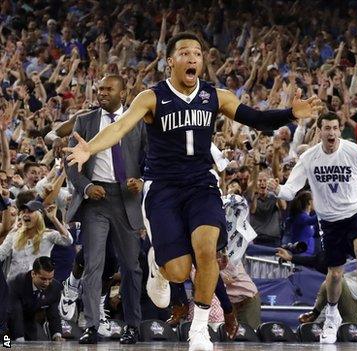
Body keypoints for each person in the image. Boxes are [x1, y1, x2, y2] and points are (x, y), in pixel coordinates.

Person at [65, 32, 323, 351]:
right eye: (185, 53)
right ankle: (162, 267)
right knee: (178, 271)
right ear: (170, 61)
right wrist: (89, 149)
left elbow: (254, 117)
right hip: (163, 188)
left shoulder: (216, 95)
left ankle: (199, 328)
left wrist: (290, 114)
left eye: (197, 54)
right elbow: (119, 128)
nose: (192, 58)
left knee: (206, 248)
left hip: (201, 184)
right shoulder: (151, 97)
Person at [268, 112, 357, 343]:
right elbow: (291, 190)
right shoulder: (310, 158)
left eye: (334, 128)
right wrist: (278, 189)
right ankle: (331, 314)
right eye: (326, 128)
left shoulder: (353, 152)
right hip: (329, 221)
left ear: (340, 130)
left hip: (356, 213)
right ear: (319, 131)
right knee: (335, 273)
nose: (331, 132)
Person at [65, 74, 146, 345]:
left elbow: (150, 159)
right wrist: (87, 187)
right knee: (93, 265)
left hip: (127, 198)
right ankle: (91, 325)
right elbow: (71, 162)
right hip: (96, 200)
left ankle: (132, 326)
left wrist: (141, 181)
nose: (102, 93)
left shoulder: (137, 121)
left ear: (123, 94)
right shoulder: (85, 121)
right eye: (99, 89)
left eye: (108, 89)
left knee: (131, 267)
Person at [0, 201, 72, 281]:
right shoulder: (14, 234)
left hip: (38, 284)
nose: (25, 214)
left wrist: (54, 219)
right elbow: (1, 253)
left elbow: (68, 240)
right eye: (23, 212)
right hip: (14, 284)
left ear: (39, 215)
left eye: (30, 211)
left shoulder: (47, 235)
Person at [7, 256, 63, 341]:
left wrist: (57, 335)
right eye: (43, 279)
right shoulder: (16, 284)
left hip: (29, 321)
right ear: (33, 274)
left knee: (33, 344)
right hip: (6, 322)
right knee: (7, 347)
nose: (47, 283)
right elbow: (15, 313)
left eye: (50, 279)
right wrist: (19, 339)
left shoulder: (55, 287)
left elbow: (53, 313)